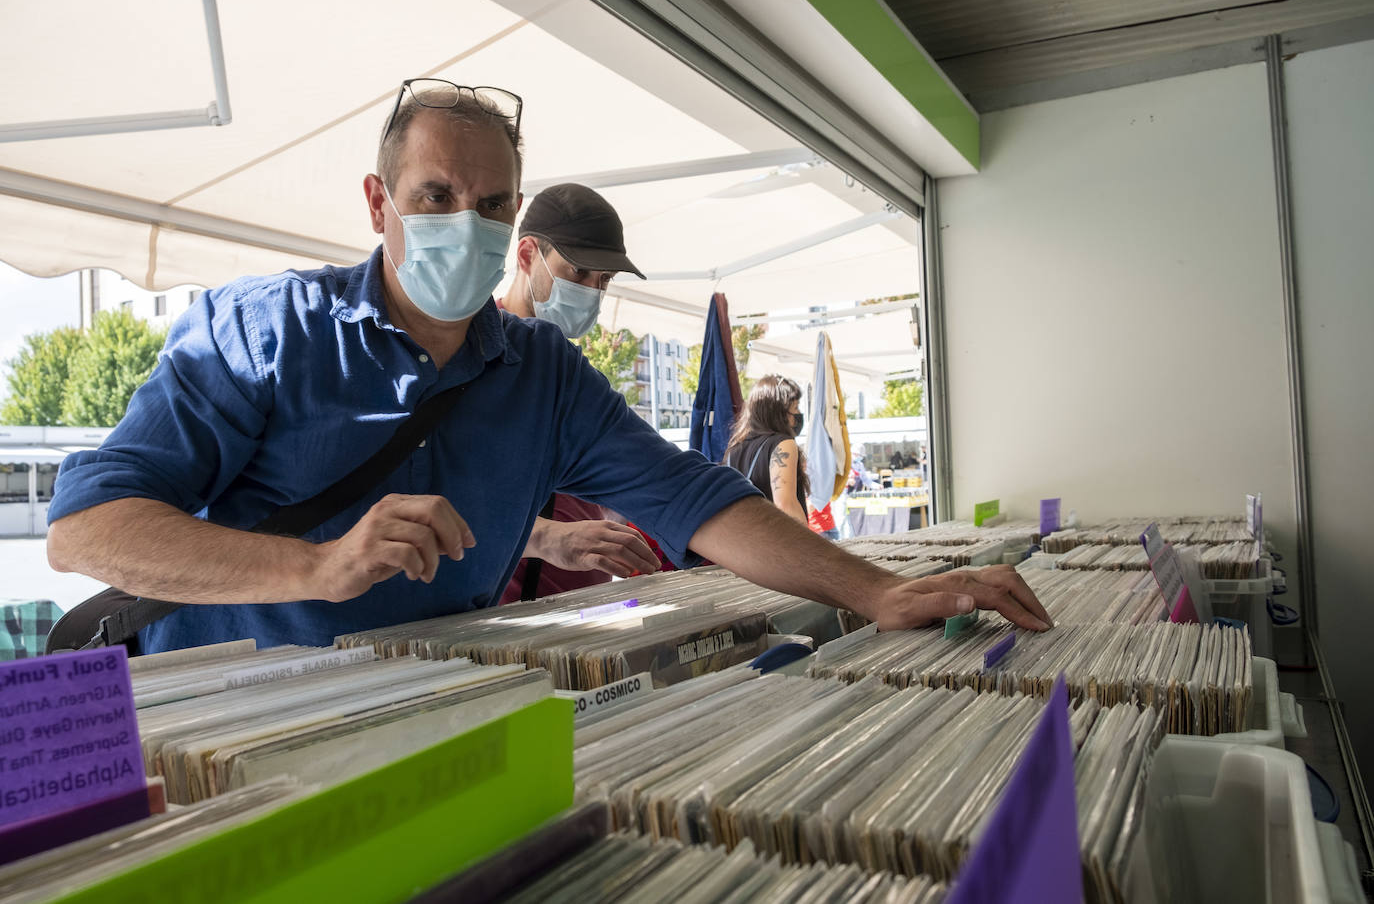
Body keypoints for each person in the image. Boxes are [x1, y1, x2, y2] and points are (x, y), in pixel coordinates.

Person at [45, 79, 1053, 653]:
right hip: (228, 733)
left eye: (491, 206)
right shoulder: (263, 332)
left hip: (425, 709)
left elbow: (695, 498)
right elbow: (86, 530)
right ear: (378, 203)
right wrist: (316, 567)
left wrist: (877, 592)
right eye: (435, 196)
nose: (465, 223)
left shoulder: (543, 374)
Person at [494, 183, 659, 602]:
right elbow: (439, 501)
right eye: (579, 272)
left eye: (604, 279)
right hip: (504, 618)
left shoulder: (574, 374)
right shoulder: (474, 358)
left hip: (584, 612)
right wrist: (548, 537)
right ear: (527, 255)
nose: (592, 291)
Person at [722, 376, 809, 526]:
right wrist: (807, 539)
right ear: (778, 412)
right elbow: (785, 504)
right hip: (777, 536)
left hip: (743, 537)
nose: (798, 415)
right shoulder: (783, 444)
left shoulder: (734, 449)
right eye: (795, 408)